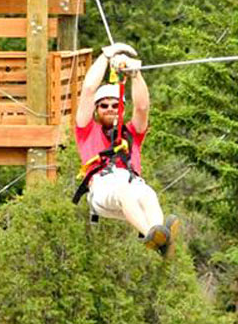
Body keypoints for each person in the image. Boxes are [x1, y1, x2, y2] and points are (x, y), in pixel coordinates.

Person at [73, 42, 179, 256]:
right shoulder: (86, 130)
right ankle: (152, 234)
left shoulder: (132, 132)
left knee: (148, 194)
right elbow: (88, 90)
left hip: (131, 184)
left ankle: (160, 238)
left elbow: (142, 107)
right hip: (103, 188)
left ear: (121, 108)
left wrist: (135, 75)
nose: (110, 109)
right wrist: (106, 55)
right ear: (96, 110)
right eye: (104, 106)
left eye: (115, 105)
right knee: (124, 192)